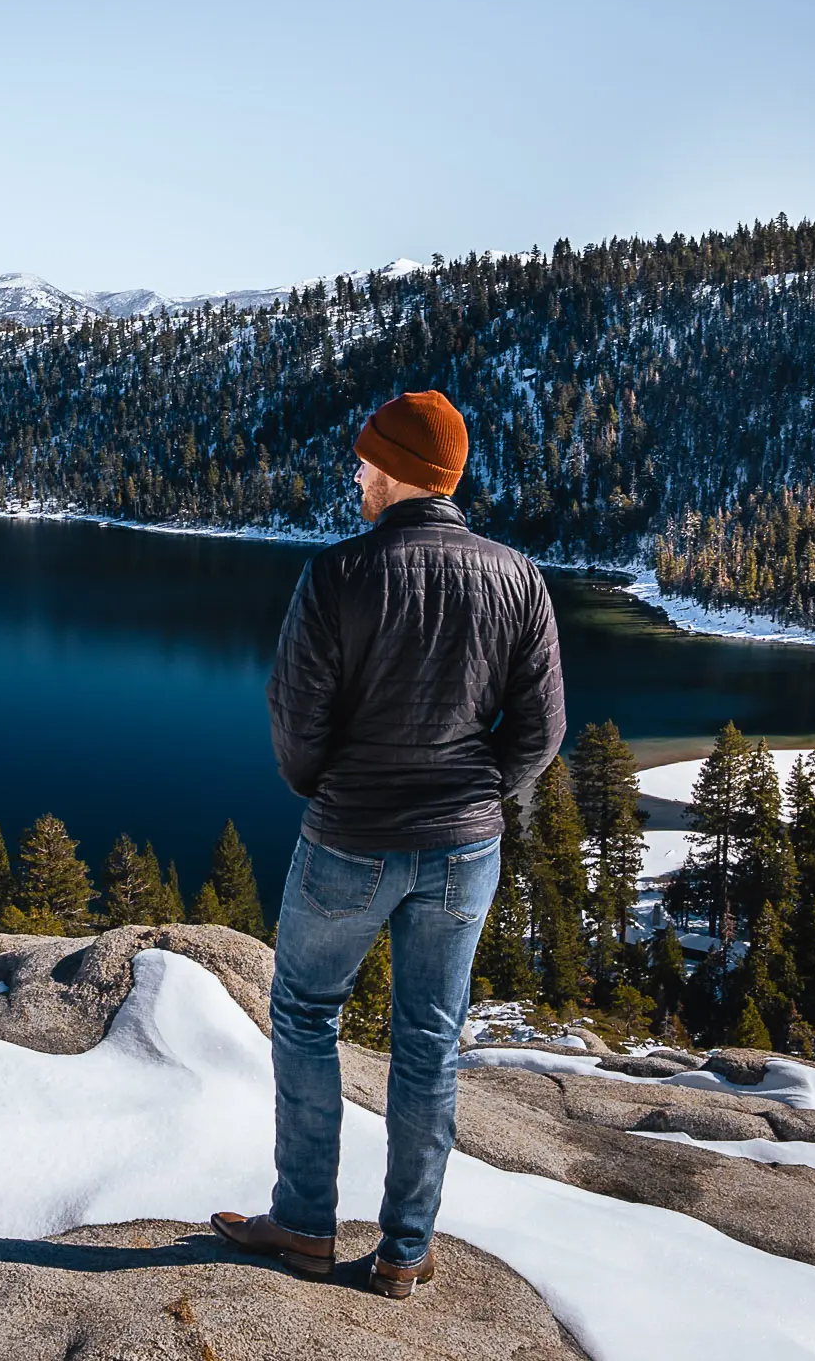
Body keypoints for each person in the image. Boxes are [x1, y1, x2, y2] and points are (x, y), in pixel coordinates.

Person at [212, 389, 565, 1298]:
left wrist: (329, 789)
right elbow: (542, 728)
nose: (356, 473)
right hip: (463, 851)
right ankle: (406, 1249)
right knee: (429, 1043)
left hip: (351, 841)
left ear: (404, 469)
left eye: (367, 459)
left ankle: (302, 1223)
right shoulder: (517, 576)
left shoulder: (337, 575)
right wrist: (481, 791)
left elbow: (295, 724)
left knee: (302, 1014)